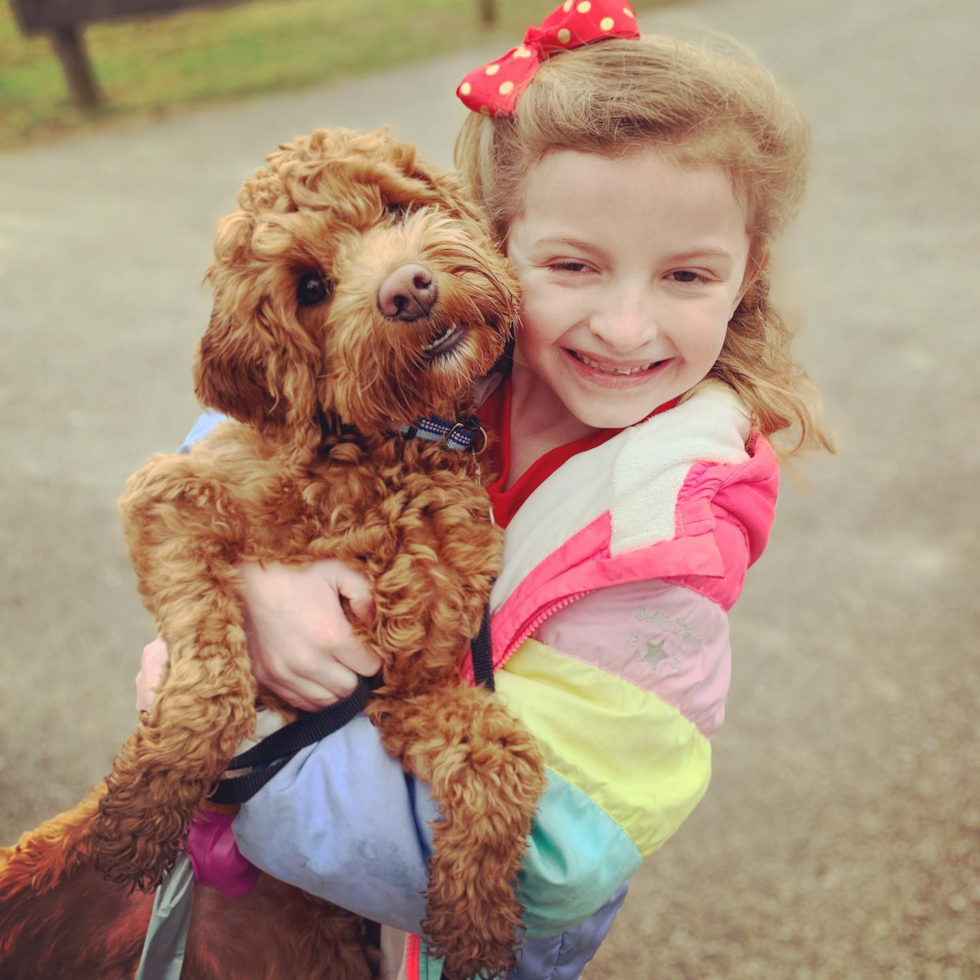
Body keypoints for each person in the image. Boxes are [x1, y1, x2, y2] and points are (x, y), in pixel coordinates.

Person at [139, 2, 833, 977]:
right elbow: (264, 417)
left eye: (684, 275)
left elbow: (552, 862)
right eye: (570, 265)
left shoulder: (666, 552)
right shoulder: (459, 346)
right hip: (274, 908)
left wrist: (230, 760)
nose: (624, 327)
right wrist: (258, 578)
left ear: (745, 275)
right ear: (490, 236)